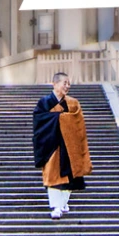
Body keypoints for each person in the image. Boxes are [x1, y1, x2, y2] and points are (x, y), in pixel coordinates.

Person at [32, 72, 93, 220]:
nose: (67, 86)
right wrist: (61, 118)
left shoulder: (73, 103)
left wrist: (63, 119)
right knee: (53, 176)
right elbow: (39, 122)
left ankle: (63, 203)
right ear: (54, 84)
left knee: (71, 177)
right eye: (64, 83)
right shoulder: (44, 103)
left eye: (68, 84)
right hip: (51, 145)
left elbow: (79, 124)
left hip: (70, 145)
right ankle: (55, 206)